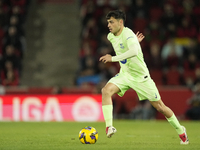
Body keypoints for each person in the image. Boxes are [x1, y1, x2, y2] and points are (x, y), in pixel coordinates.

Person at [99, 10, 189, 144]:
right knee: (106, 91)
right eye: (108, 22)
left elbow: (134, 51)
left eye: (111, 22)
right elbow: (129, 48)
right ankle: (109, 127)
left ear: (120, 22)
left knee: (160, 107)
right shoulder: (111, 36)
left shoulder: (128, 34)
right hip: (125, 74)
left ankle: (181, 131)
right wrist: (135, 43)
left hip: (141, 77)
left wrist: (114, 58)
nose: (109, 25)